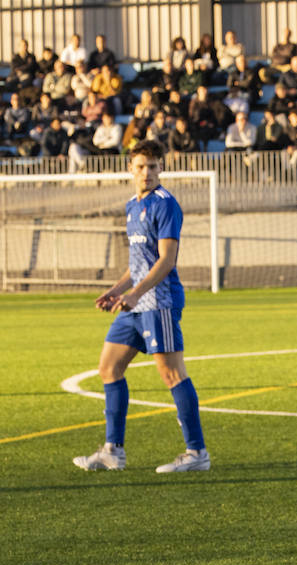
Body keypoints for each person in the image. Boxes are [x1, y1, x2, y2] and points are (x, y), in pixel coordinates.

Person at [73, 140, 209, 473]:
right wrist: (118, 290)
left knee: (171, 373)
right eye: (141, 166)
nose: (147, 172)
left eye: (153, 166)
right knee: (108, 368)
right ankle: (112, 451)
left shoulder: (165, 204)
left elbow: (166, 261)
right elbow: (137, 264)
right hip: (134, 303)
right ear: (130, 169)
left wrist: (134, 294)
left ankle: (196, 454)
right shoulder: (132, 206)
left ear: (161, 167)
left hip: (158, 302)